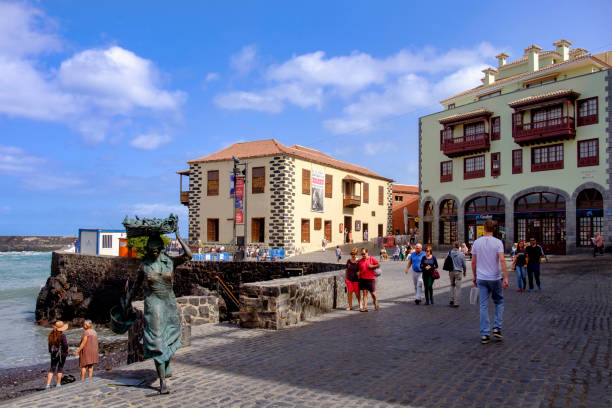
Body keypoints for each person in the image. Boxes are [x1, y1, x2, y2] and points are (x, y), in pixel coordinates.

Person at [125, 229, 192, 394]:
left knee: (169, 336)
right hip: (153, 304)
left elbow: (189, 255)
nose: (154, 250)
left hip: (169, 303)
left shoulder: (169, 262)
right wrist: (127, 302)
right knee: (156, 339)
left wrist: (178, 237)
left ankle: (165, 367)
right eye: (151, 247)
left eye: (157, 247)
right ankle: (162, 381)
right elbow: (134, 287)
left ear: (161, 247)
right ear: (148, 248)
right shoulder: (144, 265)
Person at [471, 219, 509, 344]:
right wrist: (506, 277)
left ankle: (485, 333)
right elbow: (502, 260)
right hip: (495, 277)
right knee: (499, 302)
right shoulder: (498, 242)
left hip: (482, 278)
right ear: (494, 229)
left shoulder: (477, 242)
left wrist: (475, 276)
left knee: (483, 305)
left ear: (484, 228)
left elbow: (473, 261)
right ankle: (497, 327)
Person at [46, 320, 69, 389]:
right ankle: (58, 384)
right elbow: (65, 345)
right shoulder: (62, 335)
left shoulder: (51, 335)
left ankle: (47, 385)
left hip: (53, 353)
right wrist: (67, 351)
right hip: (62, 353)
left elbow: (49, 345)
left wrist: (51, 352)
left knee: (52, 368)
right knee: (60, 368)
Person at [448, 241, 467, 307]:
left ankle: (451, 299)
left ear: (453, 246)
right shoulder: (461, 254)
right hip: (458, 271)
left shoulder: (450, 253)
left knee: (452, 285)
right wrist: (464, 271)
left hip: (451, 271)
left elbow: (447, 261)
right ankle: (456, 302)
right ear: (459, 246)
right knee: (458, 287)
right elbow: (464, 265)